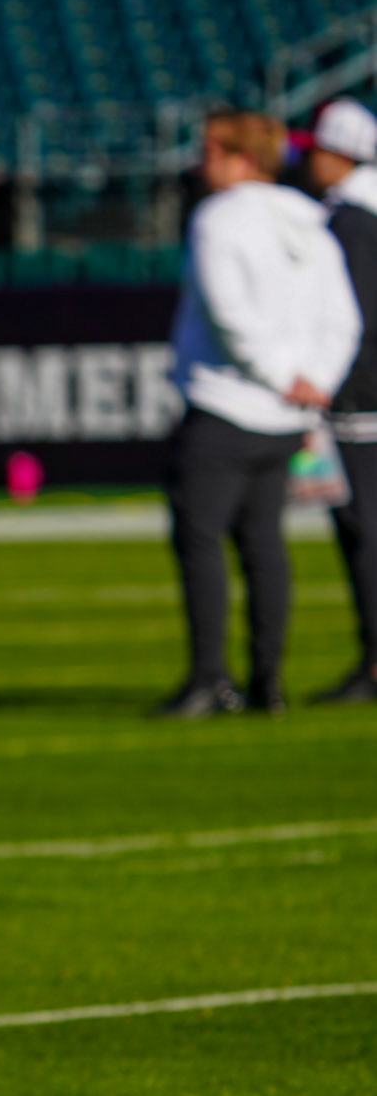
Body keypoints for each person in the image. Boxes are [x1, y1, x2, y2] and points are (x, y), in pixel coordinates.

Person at [160, 108, 361, 718]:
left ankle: (210, 677)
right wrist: (313, 381)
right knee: (264, 546)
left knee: (200, 538)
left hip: (228, 404)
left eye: (213, 152)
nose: (203, 165)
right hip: (287, 416)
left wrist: (282, 376)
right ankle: (266, 681)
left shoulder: (220, 218)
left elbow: (229, 313)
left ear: (240, 157)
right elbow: (343, 320)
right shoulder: (310, 221)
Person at [304, 98, 377, 703]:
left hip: (362, 400)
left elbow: (351, 318)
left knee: (364, 529)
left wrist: (336, 388)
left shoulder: (352, 220)